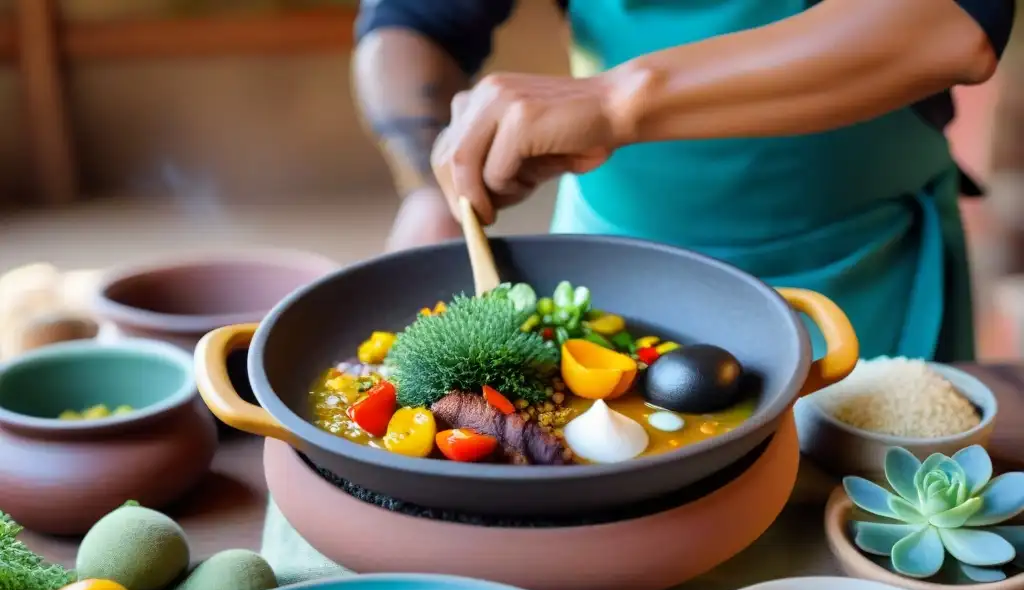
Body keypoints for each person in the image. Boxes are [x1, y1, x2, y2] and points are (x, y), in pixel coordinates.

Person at [353, 0, 1016, 362]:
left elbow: (954, 23)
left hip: (865, 270)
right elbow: (412, 20)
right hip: (612, 263)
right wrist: (428, 185)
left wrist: (619, 103)